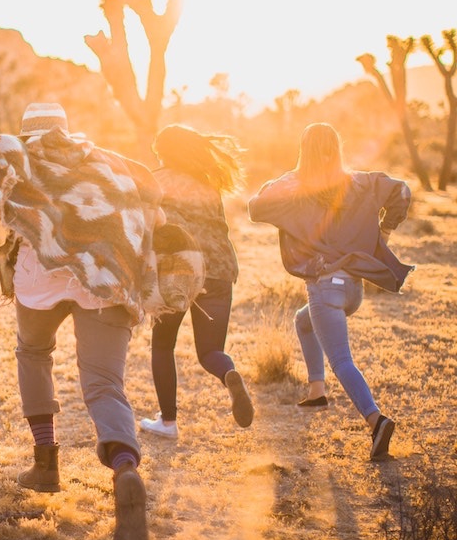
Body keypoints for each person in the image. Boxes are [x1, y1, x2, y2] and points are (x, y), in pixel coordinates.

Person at [0, 102, 164, 540]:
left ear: (25, 133)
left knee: (34, 354)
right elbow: (151, 197)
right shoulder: (102, 161)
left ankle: (45, 465)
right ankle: (124, 465)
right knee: (104, 382)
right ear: (67, 129)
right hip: (102, 278)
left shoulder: (14, 159)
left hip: (37, 281)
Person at [248, 122, 414, 460]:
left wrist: (284, 178)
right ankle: (317, 389)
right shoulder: (358, 181)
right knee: (303, 321)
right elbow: (403, 191)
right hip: (353, 288)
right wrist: (385, 231)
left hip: (325, 287)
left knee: (341, 359)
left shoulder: (295, 185)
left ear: (303, 152)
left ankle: (376, 420)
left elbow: (256, 205)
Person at [140, 124, 254, 440]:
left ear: (163, 152)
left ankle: (168, 422)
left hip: (177, 272)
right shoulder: (208, 185)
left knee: (163, 345)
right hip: (219, 269)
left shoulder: (156, 181)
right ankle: (228, 373)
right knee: (210, 351)